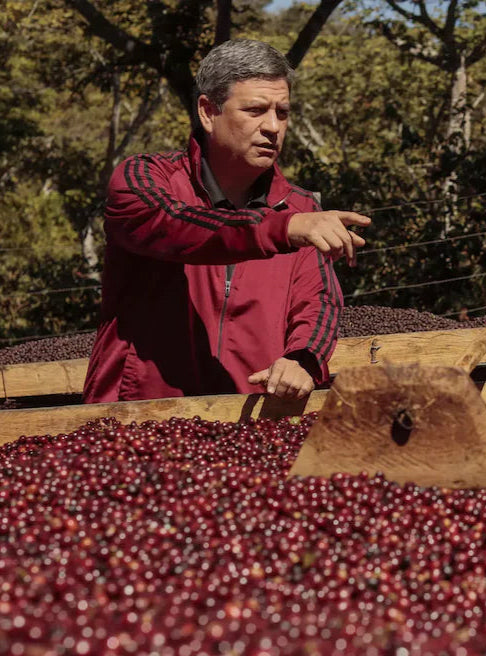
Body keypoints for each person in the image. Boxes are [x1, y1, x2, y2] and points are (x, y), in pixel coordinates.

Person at [83, 39, 370, 404]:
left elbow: (319, 302)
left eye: (282, 113)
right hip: (132, 426)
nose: (273, 126)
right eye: (255, 110)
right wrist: (281, 229)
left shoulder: (299, 210)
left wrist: (303, 360)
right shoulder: (143, 179)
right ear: (207, 111)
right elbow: (175, 225)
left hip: (247, 426)